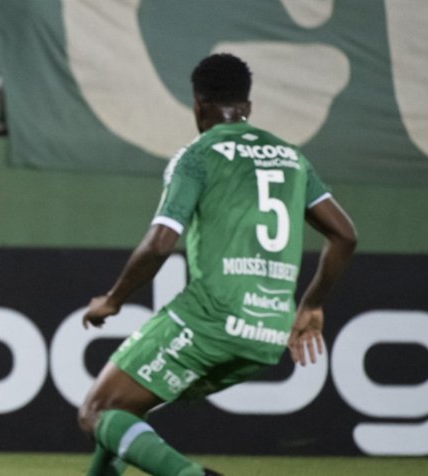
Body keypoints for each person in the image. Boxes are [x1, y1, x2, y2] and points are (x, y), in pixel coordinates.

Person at [77, 53, 357, 476]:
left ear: (197, 104)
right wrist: (312, 305)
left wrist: (113, 301)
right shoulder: (291, 158)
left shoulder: (198, 156)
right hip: (266, 334)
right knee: (126, 411)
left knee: (96, 412)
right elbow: (345, 235)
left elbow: (158, 245)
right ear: (248, 105)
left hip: (211, 317)